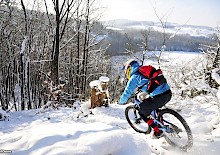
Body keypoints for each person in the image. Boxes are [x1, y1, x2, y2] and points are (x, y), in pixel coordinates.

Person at [119, 59, 172, 138]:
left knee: (142, 111)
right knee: (154, 107)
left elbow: (127, 92)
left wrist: (121, 101)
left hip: (159, 97)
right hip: (168, 93)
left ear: (129, 70)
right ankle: (163, 124)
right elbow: (150, 83)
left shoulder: (134, 77)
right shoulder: (145, 71)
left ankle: (158, 131)